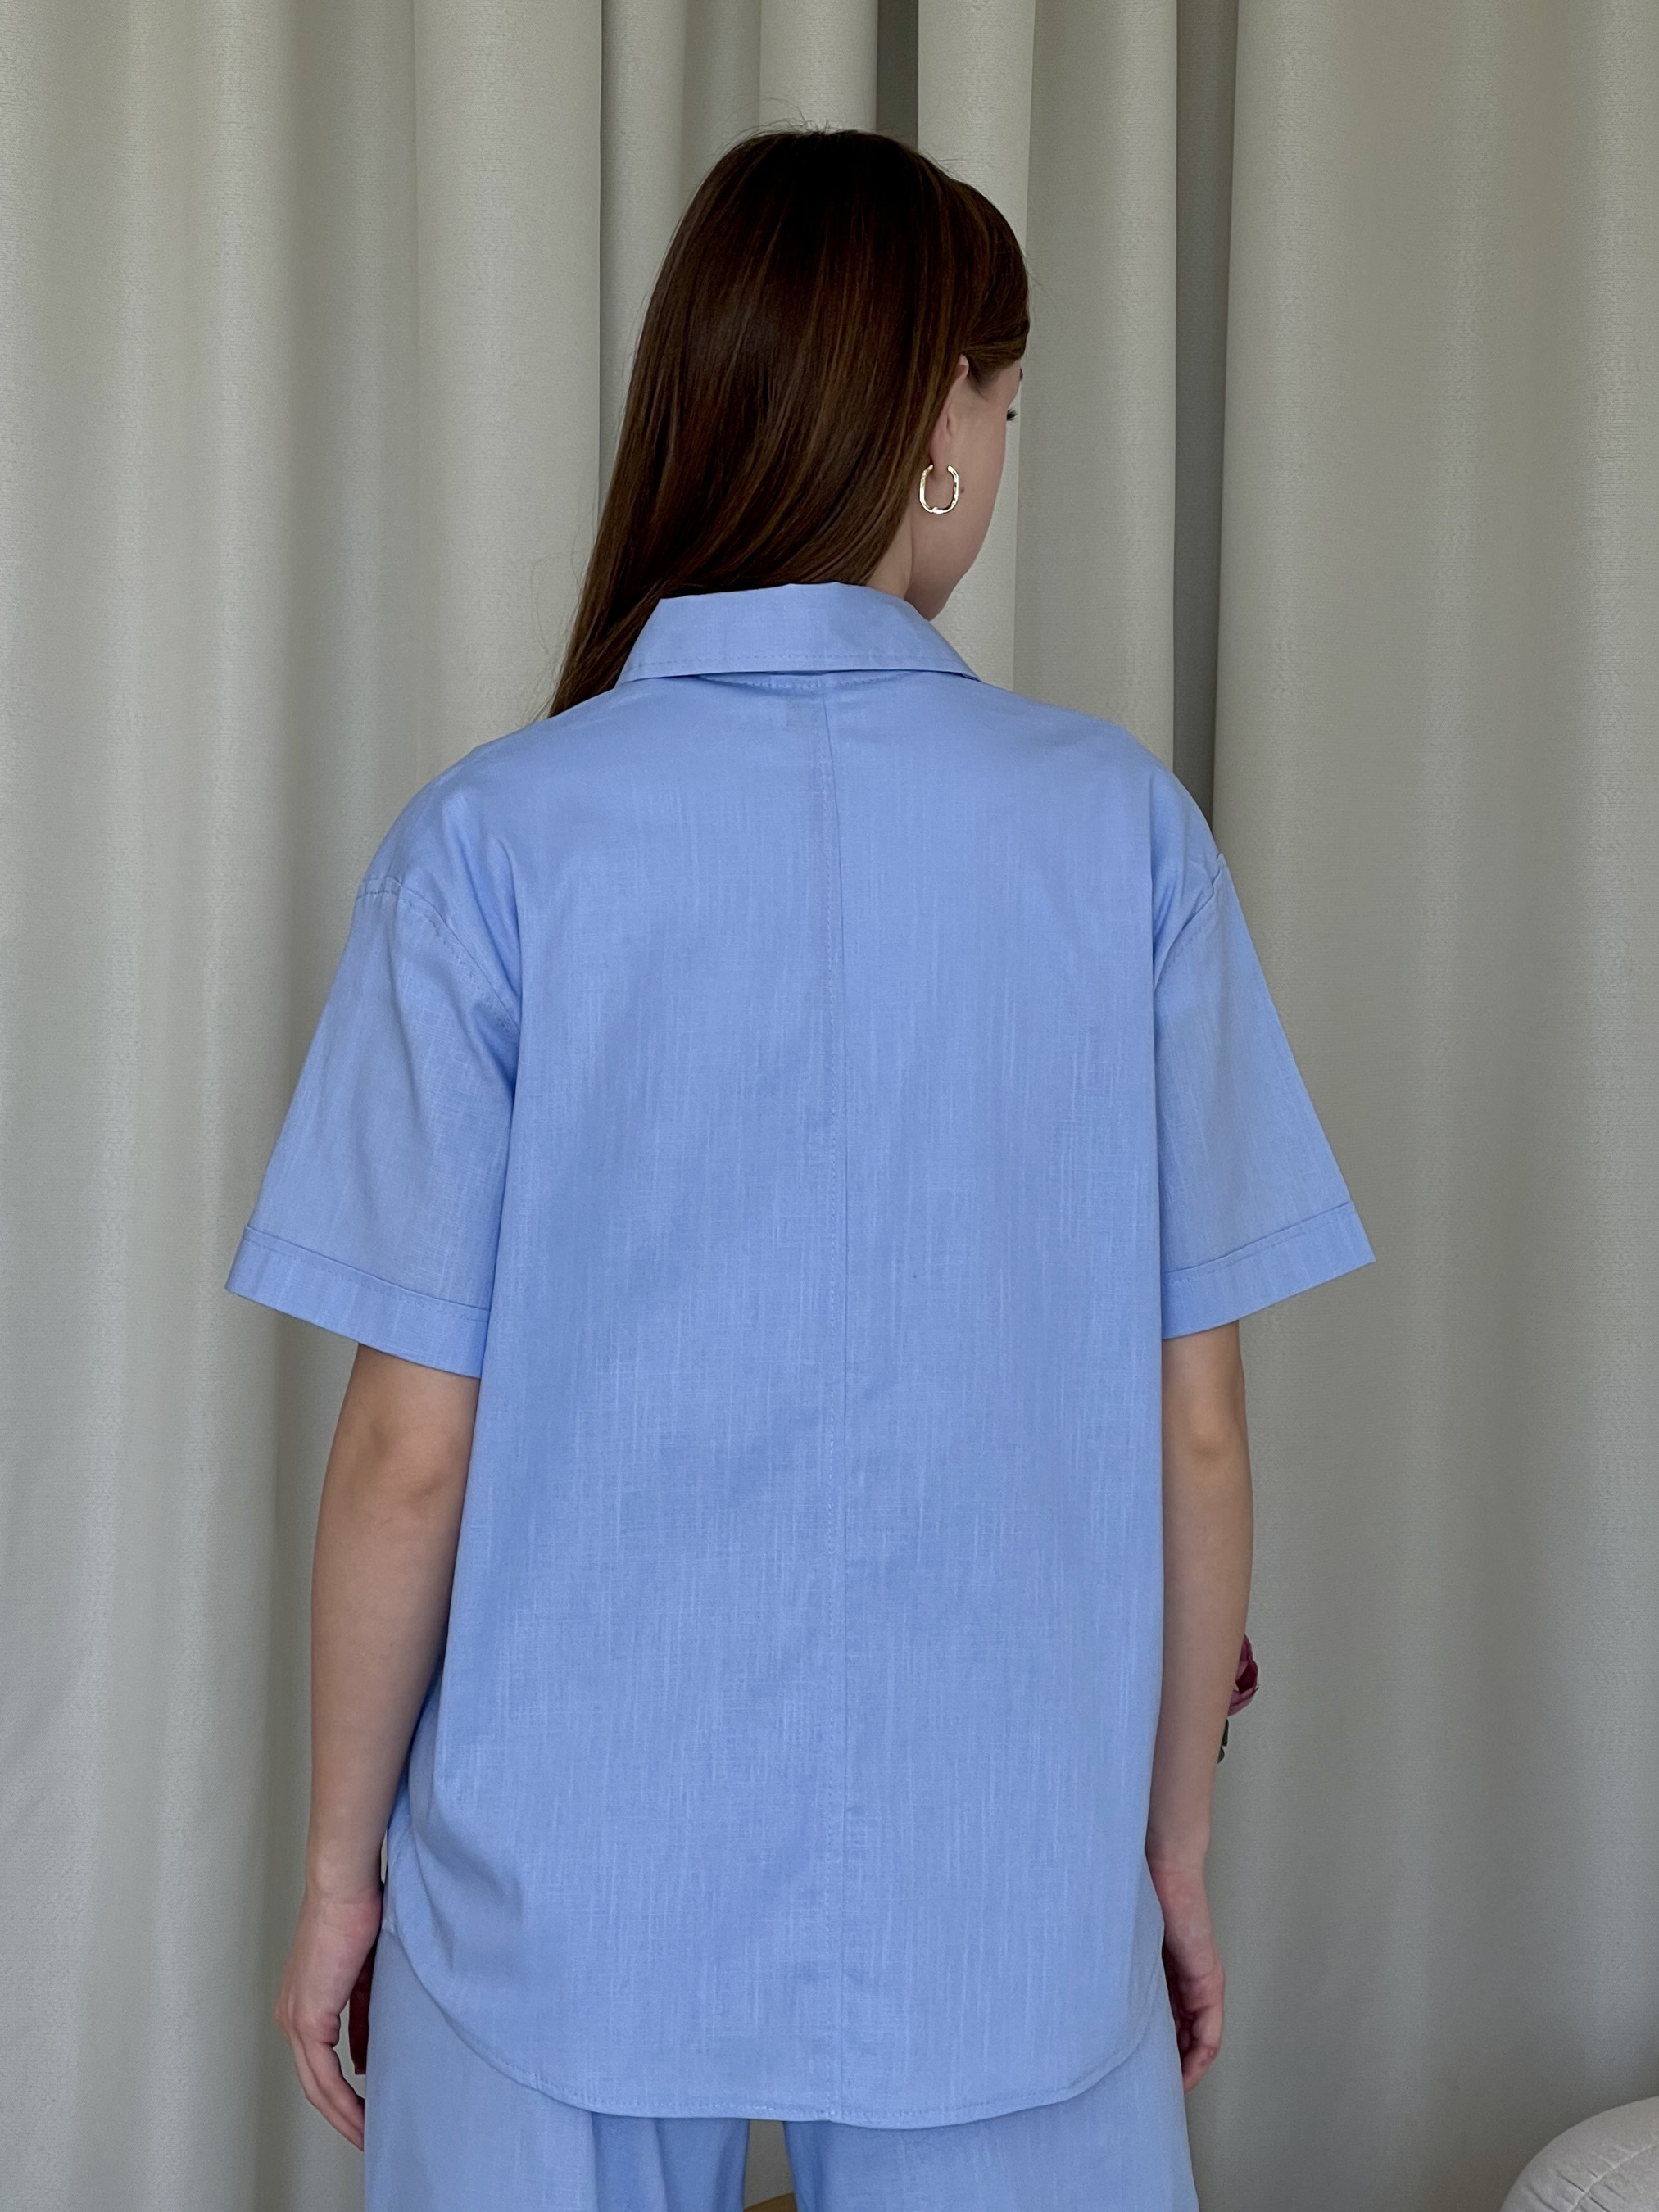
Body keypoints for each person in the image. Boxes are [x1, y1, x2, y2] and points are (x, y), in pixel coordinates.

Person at [228, 127, 1373, 2211]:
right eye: (1006, 407)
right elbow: (1194, 1430)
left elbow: (406, 1444)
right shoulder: (1117, 834)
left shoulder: (491, 842)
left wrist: (334, 1876)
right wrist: (1168, 1856)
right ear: (936, 426)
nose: (1001, 454)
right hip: (1002, 1900)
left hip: (547, 1899)